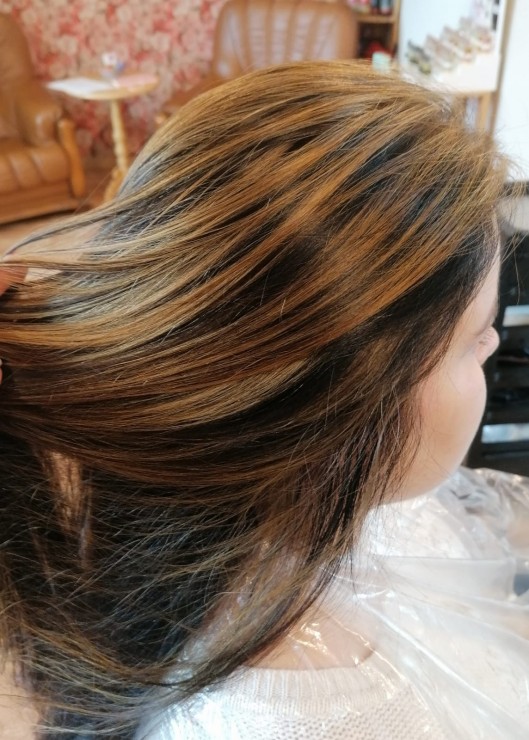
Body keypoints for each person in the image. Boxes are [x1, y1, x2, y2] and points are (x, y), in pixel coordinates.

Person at [0, 60, 527, 739]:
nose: (492, 345)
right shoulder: (344, 722)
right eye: (474, 336)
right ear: (343, 417)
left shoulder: (309, 504)